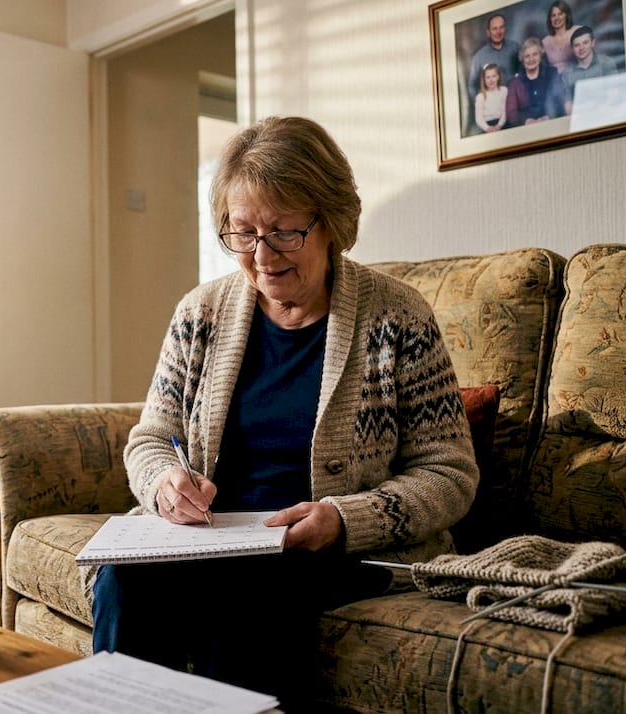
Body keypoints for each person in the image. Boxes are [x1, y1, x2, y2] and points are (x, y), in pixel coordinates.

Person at [90, 116, 478, 702]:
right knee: (124, 581)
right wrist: (164, 483)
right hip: (211, 538)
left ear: (330, 223)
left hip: (329, 551)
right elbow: (151, 437)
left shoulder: (398, 318)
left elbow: (450, 474)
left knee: (244, 601)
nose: (261, 255)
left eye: (283, 232)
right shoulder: (201, 313)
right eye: (242, 233)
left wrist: (345, 518)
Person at [506, 38, 568, 125]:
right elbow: (511, 114)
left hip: (552, 124)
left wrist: (549, 116)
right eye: (527, 56)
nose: (531, 59)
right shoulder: (514, 83)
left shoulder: (552, 73)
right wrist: (526, 121)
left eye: (535, 54)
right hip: (526, 129)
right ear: (522, 59)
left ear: (540, 55)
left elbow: (560, 100)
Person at [561, 25, 622, 114]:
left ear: (593, 43)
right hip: (580, 118)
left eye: (585, 43)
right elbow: (568, 103)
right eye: (577, 45)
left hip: (606, 114)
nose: (581, 48)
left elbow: (614, 94)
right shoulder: (567, 73)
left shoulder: (606, 63)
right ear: (572, 49)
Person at [467, 13, 521, 100]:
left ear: (505, 29)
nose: (498, 32)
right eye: (494, 29)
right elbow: (471, 85)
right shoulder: (479, 57)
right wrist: (481, 104)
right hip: (493, 107)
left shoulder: (515, 48)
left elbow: (525, 73)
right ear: (488, 32)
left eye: (501, 27)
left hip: (514, 102)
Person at [541, 1, 582, 74]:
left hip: (577, 76)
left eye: (560, 14)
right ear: (550, 19)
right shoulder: (545, 41)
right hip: (555, 82)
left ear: (567, 15)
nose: (556, 18)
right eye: (553, 15)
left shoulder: (578, 31)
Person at [474, 63, 509, 133]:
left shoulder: (504, 90)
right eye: (488, 77)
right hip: (487, 125)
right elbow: (479, 118)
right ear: (484, 79)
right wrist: (487, 128)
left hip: (502, 123)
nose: (491, 80)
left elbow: (505, 112)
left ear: (498, 77)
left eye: (494, 76)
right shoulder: (480, 97)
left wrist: (499, 125)